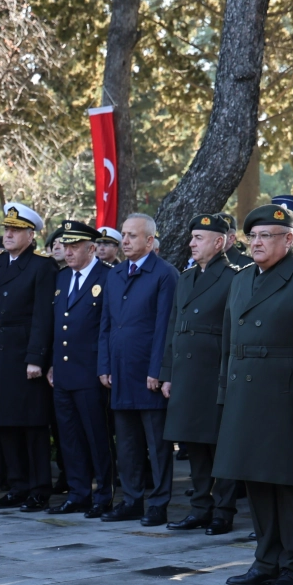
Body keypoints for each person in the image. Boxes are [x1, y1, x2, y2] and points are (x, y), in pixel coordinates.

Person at [214, 203, 293, 585]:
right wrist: (224, 394)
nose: (257, 243)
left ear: (291, 238)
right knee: (256, 481)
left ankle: (292, 565)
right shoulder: (242, 279)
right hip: (245, 395)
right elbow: (228, 344)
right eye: (253, 236)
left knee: (290, 484)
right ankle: (265, 559)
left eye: (267, 236)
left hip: (284, 397)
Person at [0, 203, 55, 510]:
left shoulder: (42, 267)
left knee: (31, 426)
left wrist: (36, 357)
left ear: (30, 235)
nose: (8, 234)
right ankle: (17, 486)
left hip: (22, 355)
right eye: (6, 229)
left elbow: (43, 317)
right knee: (3, 424)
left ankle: (38, 488)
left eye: (15, 230)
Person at [160, 214, 240, 534]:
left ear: (219, 243)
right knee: (194, 445)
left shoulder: (235, 276)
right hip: (187, 375)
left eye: (199, 238)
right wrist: (167, 372)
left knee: (221, 446)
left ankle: (223, 510)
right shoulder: (186, 277)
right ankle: (200, 508)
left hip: (215, 374)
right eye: (192, 237)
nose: (191, 243)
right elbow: (172, 328)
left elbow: (236, 332)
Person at [99, 212, 177, 525]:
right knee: (127, 443)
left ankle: (158, 503)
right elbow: (106, 324)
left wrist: (158, 369)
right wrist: (104, 364)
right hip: (119, 371)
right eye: (124, 234)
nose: (125, 240)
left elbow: (165, 327)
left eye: (132, 235)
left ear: (150, 240)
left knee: (157, 445)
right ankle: (131, 500)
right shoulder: (115, 274)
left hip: (148, 375)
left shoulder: (165, 274)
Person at [47, 219, 114, 516]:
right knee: (70, 437)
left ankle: (104, 495)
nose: (68, 251)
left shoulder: (108, 277)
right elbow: (55, 326)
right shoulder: (62, 278)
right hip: (63, 372)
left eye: (74, 246)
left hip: (90, 372)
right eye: (65, 246)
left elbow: (108, 328)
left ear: (92, 248)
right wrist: (50, 362)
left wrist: (104, 367)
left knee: (96, 436)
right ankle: (78, 493)